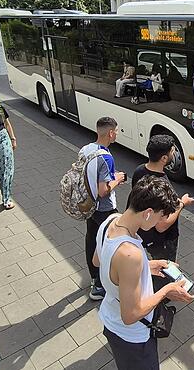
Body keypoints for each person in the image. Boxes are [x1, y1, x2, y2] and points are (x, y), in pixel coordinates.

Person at [92, 176, 194, 370]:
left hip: (110, 318)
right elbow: (130, 315)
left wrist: (148, 265)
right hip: (132, 336)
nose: (160, 222)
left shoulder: (110, 220)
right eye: (160, 216)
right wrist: (166, 292)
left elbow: (99, 260)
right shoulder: (130, 254)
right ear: (148, 213)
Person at [80, 117, 127, 300]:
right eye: (116, 131)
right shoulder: (106, 157)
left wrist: (110, 178)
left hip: (88, 204)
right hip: (104, 208)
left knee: (91, 238)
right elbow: (103, 190)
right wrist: (117, 179)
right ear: (110, 133)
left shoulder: (86, 149)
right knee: (109, 244)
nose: (117, 134)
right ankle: (101, 285)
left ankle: (94, 278)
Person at [129, 134, 194, 262]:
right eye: (172, 150)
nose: (174, 152)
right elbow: (162, 225)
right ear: (164, 158)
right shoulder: (162, 186)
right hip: (162, 240)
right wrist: (182, 204)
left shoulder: (139, 171)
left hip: (144, 233)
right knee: (165, 268)